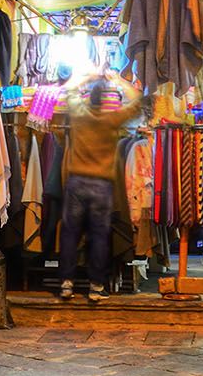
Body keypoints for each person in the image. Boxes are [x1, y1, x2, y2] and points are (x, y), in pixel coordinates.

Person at [55, 73, 142, 303]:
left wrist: (88, 76)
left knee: (70, 234)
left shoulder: (78, 114)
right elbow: (138, 100)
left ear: (88, 99)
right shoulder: (112, 119)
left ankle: (66, 283)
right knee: (99, 236)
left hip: (76, 182)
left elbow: (69, 88)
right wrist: (119, 81)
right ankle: (96, 286)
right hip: (102, 185)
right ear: (104, 101)